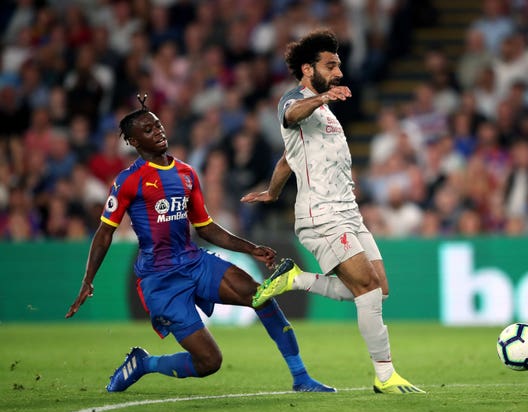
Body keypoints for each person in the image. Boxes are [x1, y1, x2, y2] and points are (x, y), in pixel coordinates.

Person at [65, 95, 335, 393]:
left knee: (260, 296)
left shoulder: (186, 173)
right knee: (209, 362)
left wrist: (250, 248)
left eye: (158, 125)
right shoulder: (129, 181)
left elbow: (205, 227)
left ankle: (301, 378)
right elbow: (105, 232)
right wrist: (88, 280)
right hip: (160, 279)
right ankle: (145, 363)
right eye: (148, 129)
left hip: (194, 262)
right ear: (132, 141)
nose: (159, 131)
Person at [241, 30, 425, 395]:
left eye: (339, 64)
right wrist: (323, 95)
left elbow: (286, 159)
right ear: (308, 69)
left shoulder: (323, 111)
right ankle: (385, 375)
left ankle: (296, 279)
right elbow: (291, 115)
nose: (339, 71)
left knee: (379, 289)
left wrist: (272, 192)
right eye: (331, 65)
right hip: (321, 214)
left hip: (348, 212)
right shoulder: (293, 101)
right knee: (367, 288)